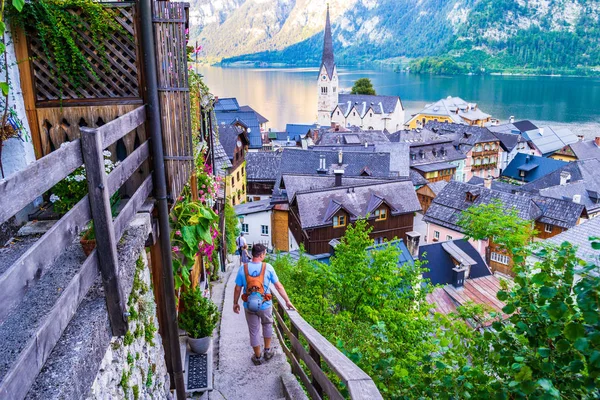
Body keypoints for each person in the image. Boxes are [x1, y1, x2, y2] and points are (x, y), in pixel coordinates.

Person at [233, 243, 294, 365]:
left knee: (254, 330)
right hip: (265, 304)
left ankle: (257, 356)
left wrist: (235, 303)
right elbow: (278, 286)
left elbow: (237, 289)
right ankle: (267, 351)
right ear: (261, 255)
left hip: (249, 305)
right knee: (267, 325)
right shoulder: (268, 267)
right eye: (265, 253)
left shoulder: (243, 269)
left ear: (252, 254)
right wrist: (287, 301)